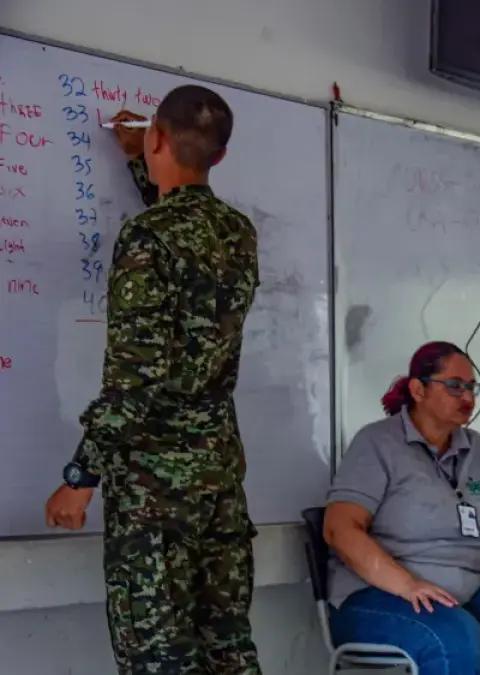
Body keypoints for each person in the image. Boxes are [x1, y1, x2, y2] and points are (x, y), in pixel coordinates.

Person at [44, 86, 262, 674]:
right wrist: (145, 164)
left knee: (161, 657)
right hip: (218, 480)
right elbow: (187, 234)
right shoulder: (238, 233)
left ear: (158, 136)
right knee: (227, 646)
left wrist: (79, 474)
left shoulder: (148, 238)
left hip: (155, 492)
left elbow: (135, 379)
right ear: (219, 157)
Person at [324, 341, 480, 675]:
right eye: (454, 386)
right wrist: (407, 585)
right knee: (458, 640)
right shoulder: (378, 443)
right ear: (418, 389)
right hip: (378, 597)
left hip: (460, 596)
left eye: (472, 387)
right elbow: (339, 529)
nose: (468, 398)